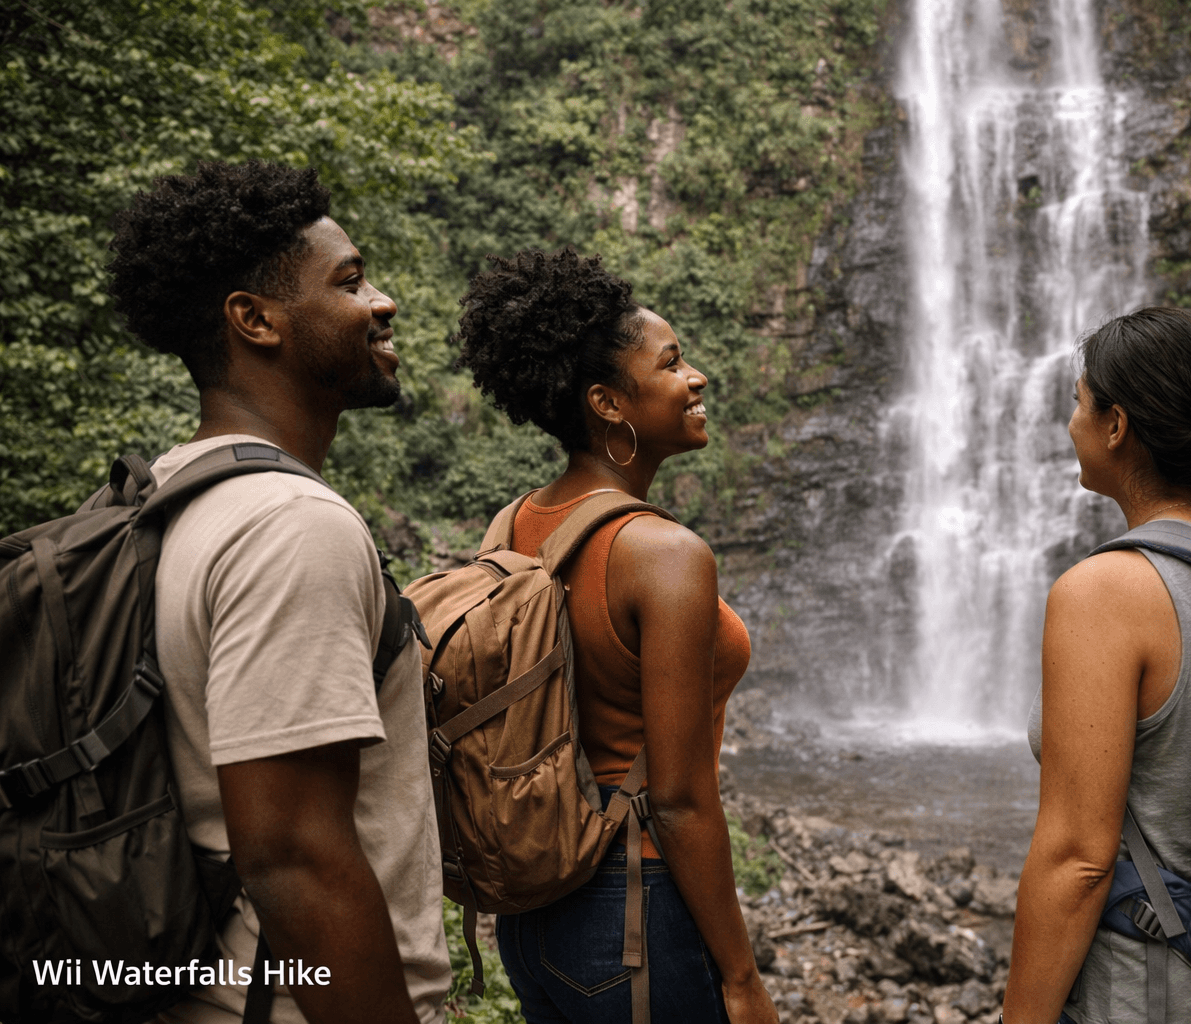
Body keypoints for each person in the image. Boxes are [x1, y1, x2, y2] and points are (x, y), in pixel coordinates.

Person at [106, 161, 450, 1024]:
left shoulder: (160, 496)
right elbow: (295, 853)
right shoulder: (292, 525)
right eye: (351, 280)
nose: (383, 302)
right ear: (254, 319)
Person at [453, 247, 777, 1024]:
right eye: (671, 364)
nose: (696, 377)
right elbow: (680, 798)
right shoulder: (664, 556)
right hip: (636, 905)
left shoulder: (516, 523)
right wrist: (740, 977)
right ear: (607, 402)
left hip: (538, 911)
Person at [1001, 307, 1191, 1024]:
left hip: (1158, 988)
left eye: (1079, 402)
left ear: (1116, 425)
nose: (1071, 423)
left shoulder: (1104, 592)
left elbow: (1077, 860)